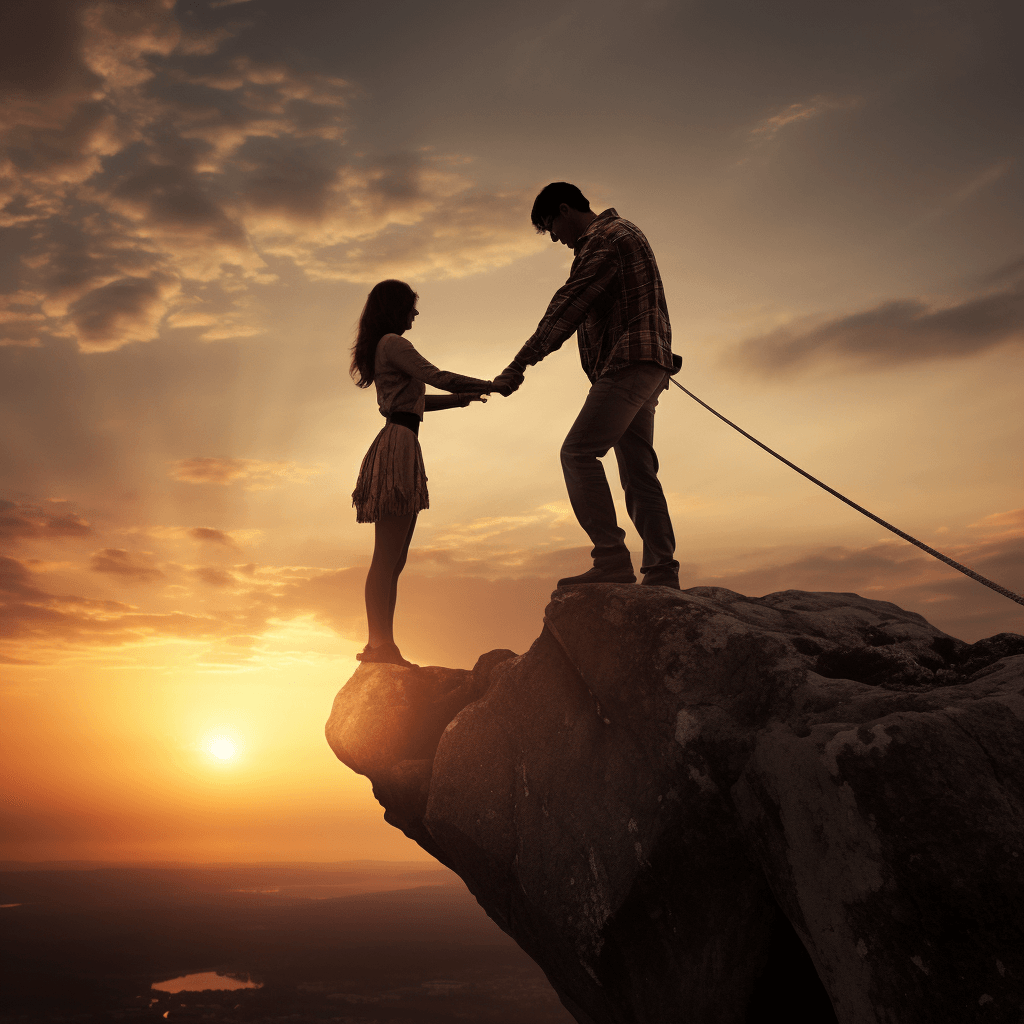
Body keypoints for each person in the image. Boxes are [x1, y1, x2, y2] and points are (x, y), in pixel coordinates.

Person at [493, 182, 681, 589]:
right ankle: (662, 569)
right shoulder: (626, 232)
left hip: (629, 363)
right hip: (649, 365)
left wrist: (518, 364)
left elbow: (569, 305)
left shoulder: (604, 240)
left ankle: (611, 559)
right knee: (638, 470)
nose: (556, 239)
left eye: (551, 228)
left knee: (577, 453)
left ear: (563, 211)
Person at [351, 279, 493, 667]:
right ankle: (378, 645)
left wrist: (460, 401)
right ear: (397, 308)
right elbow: (438, 375)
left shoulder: (385, 347)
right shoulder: (394, 344)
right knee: (386, 556)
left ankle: (384, 644)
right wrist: (488, 384)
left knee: (396, 558)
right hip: (398, 445)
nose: (416, 313)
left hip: (402, 441)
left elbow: (418, 400)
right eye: (411, 306)